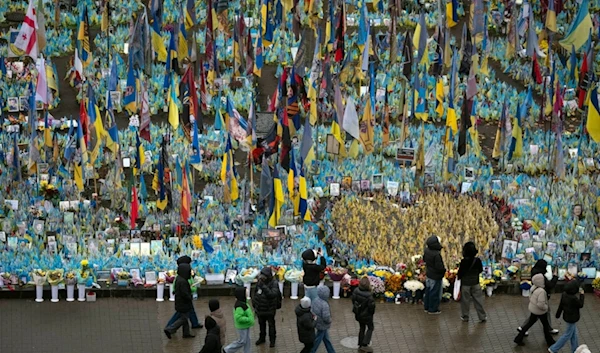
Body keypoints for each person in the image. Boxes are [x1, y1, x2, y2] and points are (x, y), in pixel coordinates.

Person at [518, 259, 559, 335]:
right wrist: (555, 276)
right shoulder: (540, 276)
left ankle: (523, 328)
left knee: (536, 315)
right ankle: (523, 328)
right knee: (537, 314)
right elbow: (550, 285)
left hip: (536, 295)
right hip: (541, 297)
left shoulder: (535, 272)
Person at [514, 274, 556, 347]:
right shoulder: (542, 291)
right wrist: (546, 307)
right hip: (540, 311)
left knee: (529, 324)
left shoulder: (533, 287)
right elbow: (541, 304)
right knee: (545, 326)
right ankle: (549, 341)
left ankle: (518, 338)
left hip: (534, 309)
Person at [548, 281, 585, 353]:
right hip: (572, 318)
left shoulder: (564, 294)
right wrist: (582, 295)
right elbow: (581, 304)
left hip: (567, 317)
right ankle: (553, 349)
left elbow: (561, 305)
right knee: (567, 335)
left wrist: (557, 315)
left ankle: (575, 350)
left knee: (574, 334)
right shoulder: (573, 298)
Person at [166, 255, 201, 329]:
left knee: (190, 310)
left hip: (184, 297)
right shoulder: (183, 277)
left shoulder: (181, 273)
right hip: (184, 298)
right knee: (181, 314)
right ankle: (170, 326)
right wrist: (192, 289)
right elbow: (185, 287)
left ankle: (194, 323)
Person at [457, 241, 487, 322]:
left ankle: (465, 316)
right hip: (475, 283)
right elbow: (480, 270)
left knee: (465, 301)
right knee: (478, 300)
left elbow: (460, 273)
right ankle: (482, 316)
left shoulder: (463, 262)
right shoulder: (477, 261)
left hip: (465, 285)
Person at [164, 263, 195, 339]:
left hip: (179, 302)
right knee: (183, 318)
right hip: (184, 303)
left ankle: (186, 333)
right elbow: (185, 293)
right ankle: (170, 329)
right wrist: (189, 297)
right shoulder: (183, 282)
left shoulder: (179, 279)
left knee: (185, 318)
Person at [252, 267, 282, 347]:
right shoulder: (260, 282)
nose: (262, 277)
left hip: (269, 308)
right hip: (260, 308)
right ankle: (262, 338)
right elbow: (255, 293)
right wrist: (254, 303)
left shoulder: (274, 283)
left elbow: (272, 294)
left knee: (271, 325)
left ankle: (272, 341)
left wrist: (264, 287)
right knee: (261, 325)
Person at [223, 287, 255, 353]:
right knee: (242, 341)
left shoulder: (244, 303)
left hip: (246, 325)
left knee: (247, 340)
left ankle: (247, 351)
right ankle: (227, 350)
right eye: (246, 293)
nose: (247, 294)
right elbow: (238, 318)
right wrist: (248, 319)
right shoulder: (240, 306)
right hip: (242, 326)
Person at [351, 277, 376, 352]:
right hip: (367, 316)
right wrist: (371, 313)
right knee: (370, 328)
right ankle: (365, 343)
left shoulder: (356, 291)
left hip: (358, 314)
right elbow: (371, 307)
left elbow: (353, 301)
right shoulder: (369, 296)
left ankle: (360, 343)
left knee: (362, 328)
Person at [423, 235, 446, 314]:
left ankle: (427, 307)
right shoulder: (436, 254)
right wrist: (443, 271)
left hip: (429, 274)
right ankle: (433, 309)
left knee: (428, 291)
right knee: (434, 293)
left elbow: (424, 259)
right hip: (435, 276)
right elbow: (439, 267)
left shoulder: (426, 250)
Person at [310, 285, 335, 353]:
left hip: (317, 322)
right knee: (318, 339)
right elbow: (326, 317)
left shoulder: (315, 300)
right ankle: (312, 351)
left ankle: (331, 351)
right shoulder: (324, 304)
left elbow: (312, 310)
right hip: (323, 324)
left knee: (326, 338)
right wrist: (330, 320)